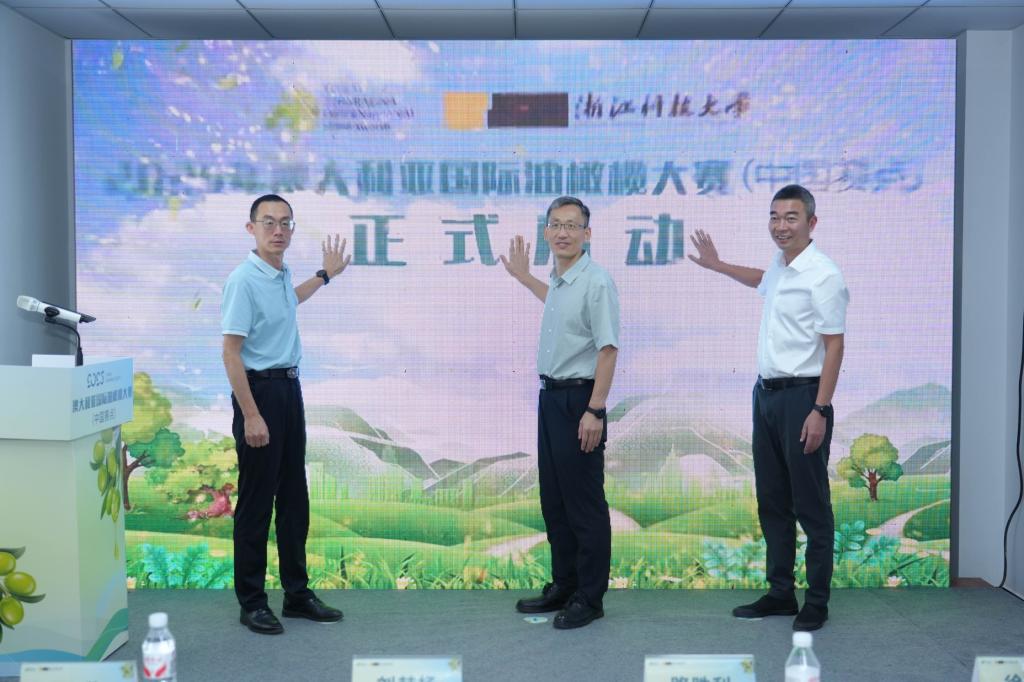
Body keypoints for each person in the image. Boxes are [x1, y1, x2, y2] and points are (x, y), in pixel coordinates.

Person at [688, 184, 848, 632]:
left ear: (812, 223)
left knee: (811, 505)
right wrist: (718, 265)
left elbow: (835, 346)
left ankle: (816, 601)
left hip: (804, 398)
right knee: (773, 501)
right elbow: (762, 279)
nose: (781, 225)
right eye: (775, 217)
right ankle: (781, 593)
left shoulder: (824, 275)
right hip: (766, 397)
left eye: (791, 217)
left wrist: (820, 409)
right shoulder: (781, 266)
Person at [221, 194, 350, 634]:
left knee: (295, 498)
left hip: (289, 391)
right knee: (257, 503)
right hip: (260, 394)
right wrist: (251, 415)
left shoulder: (279, 273)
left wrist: (324, 276)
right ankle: (252, 602)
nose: (278, 230)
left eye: (285, 223)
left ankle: (297, 595)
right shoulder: (243, 280)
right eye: (268, 222)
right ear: (251, 228)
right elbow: (231, 352)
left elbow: (289, 303)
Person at [499, 195, 620, 630]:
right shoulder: (561, 281)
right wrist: (523, 277)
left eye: (572, 225)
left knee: (584, 504)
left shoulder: (596, 281)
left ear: (587, 234)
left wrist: (595, 410)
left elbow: (608, 349)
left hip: (580, 401)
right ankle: (565, 585)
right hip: (550, 398)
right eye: (555, 224)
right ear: (546, 232)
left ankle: (590, 597)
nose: (563, 232)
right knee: (555, 500)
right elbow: (554, 301)